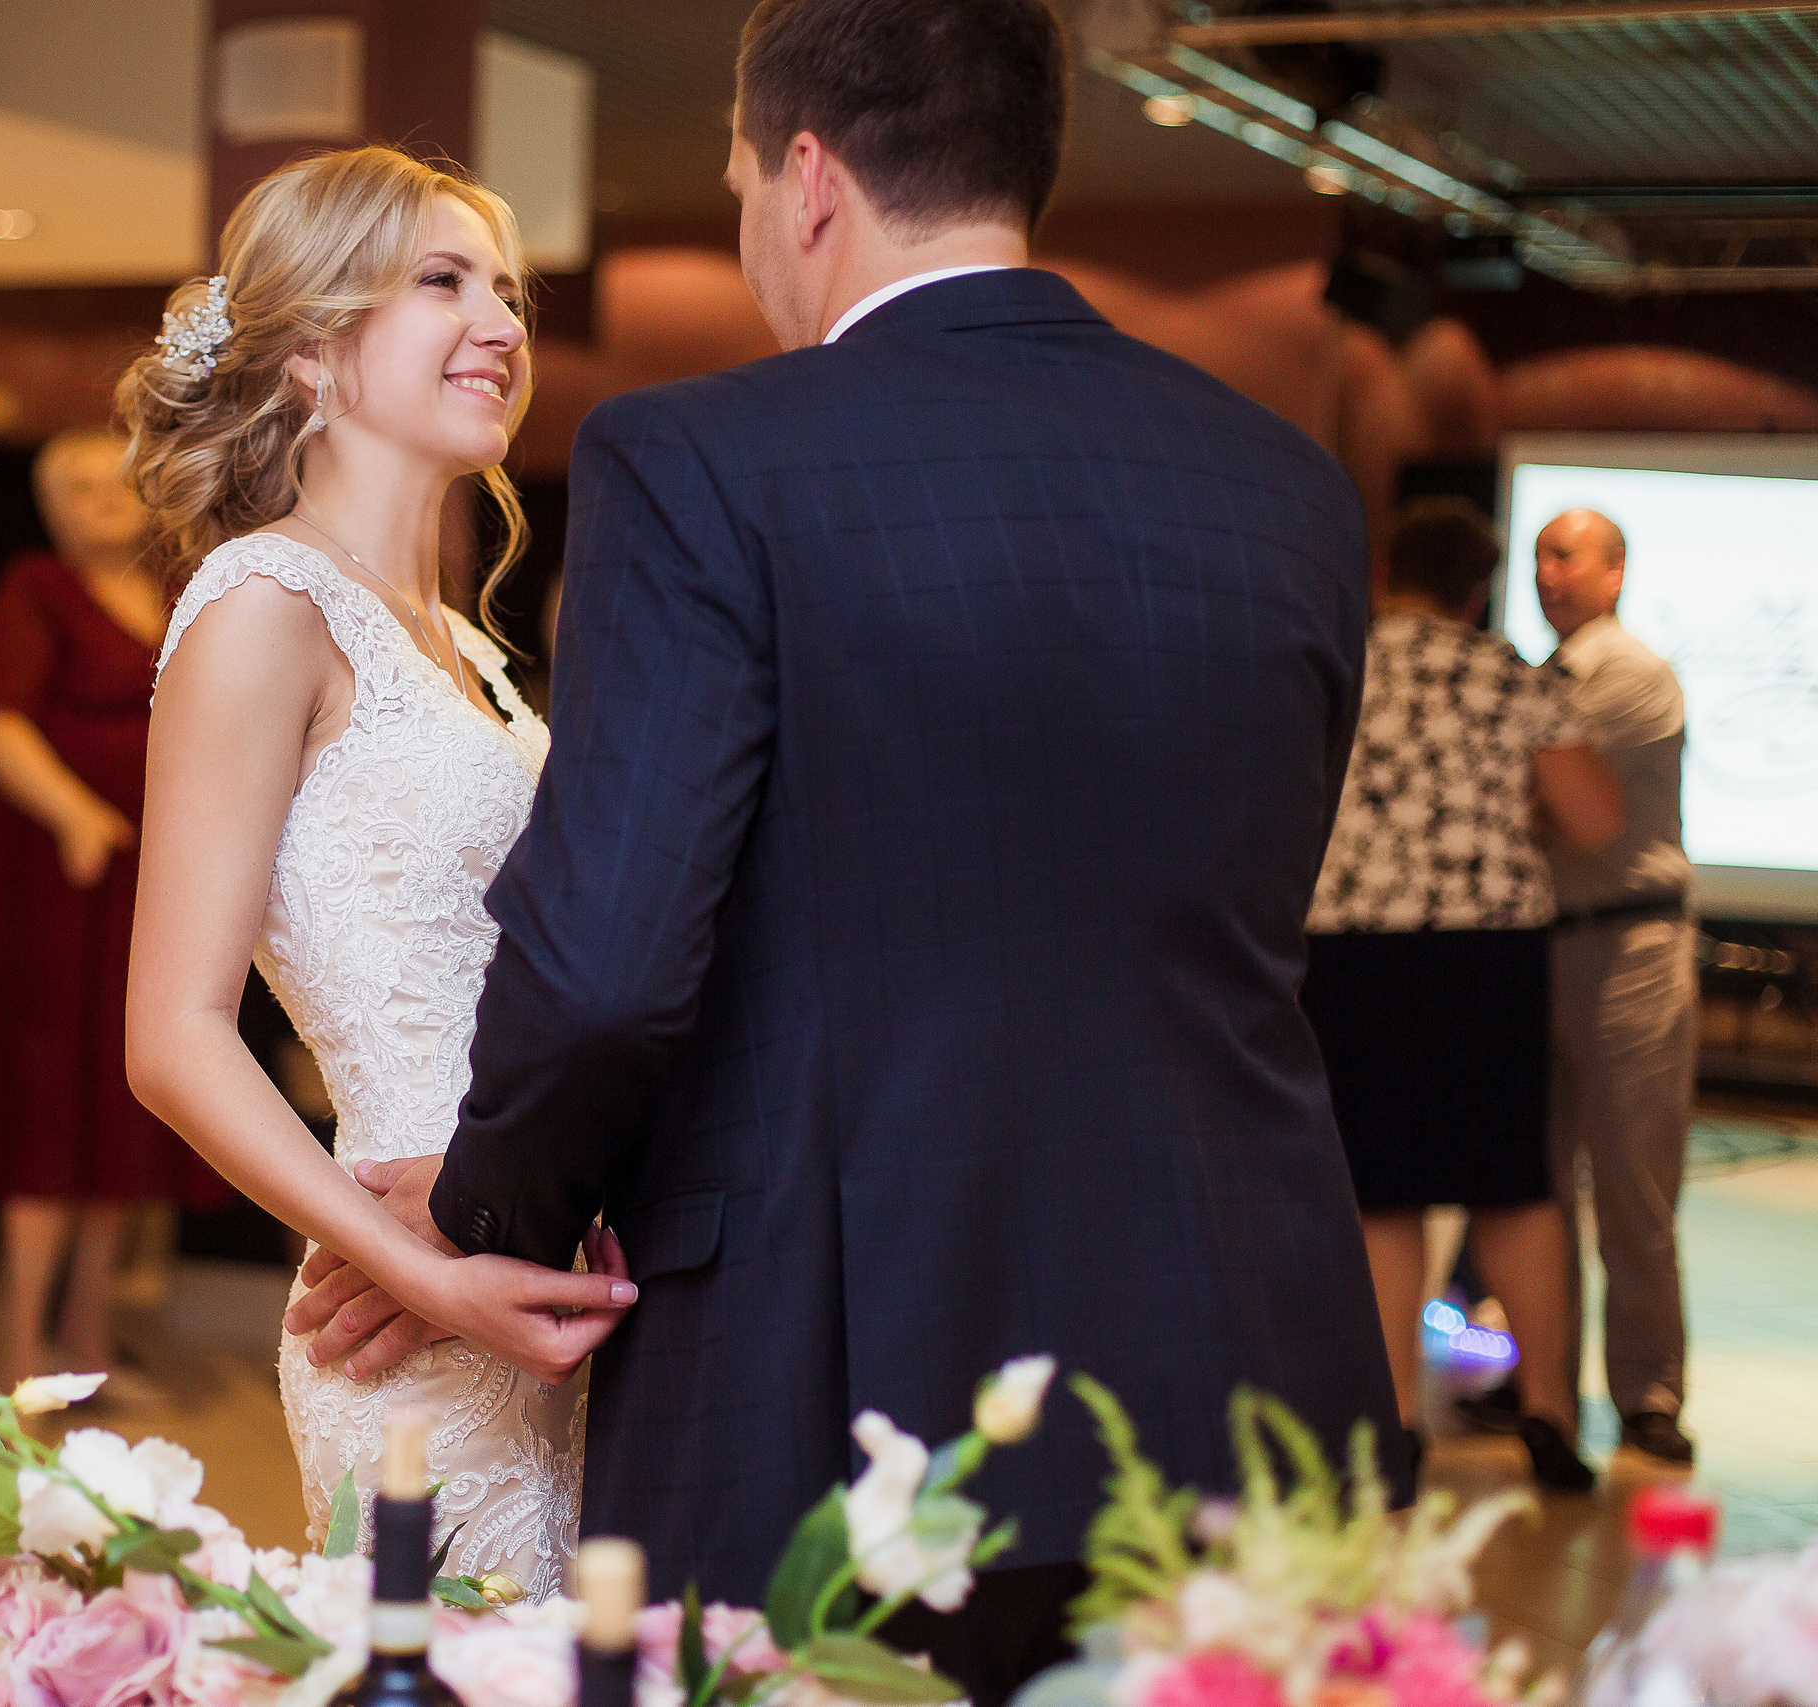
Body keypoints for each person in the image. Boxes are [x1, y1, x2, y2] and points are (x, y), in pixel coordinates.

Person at [288, 3, 1406, 1697]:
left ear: (808, 177)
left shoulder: (702, 461)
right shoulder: (1291, 490)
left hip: (836, 1372)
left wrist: (474, 1216)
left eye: (742, 179)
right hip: (1245, 1365)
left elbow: (606, 966)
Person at [124, 146, 635, 1600]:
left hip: (545, 1252)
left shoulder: (460, 644)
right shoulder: (261, 607)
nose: (501, 324)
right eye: (443, 282)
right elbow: (172, 1034)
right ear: (309, 350)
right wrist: (418, 1272)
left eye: (508, 291)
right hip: (407, 1305)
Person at [1300, 499, 1623, 1495]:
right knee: (1513, 1188)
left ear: (1385, 573)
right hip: (1489, 951)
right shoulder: (1507, 674)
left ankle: (1396, 1418)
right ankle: (1549, 1415)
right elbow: (1595, 818)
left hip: (1353, 948)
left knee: (1381, 1193)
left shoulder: (1337, 667)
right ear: (1478, 587)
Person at [0, 427, 224, 1393]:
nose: (101, 498)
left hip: (154, 875)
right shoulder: (34, 588)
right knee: (47, 1107)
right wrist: (76, 813)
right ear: (48, 508)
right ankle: (22, 1353)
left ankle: (88, 1339)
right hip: (58, 877)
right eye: (76, 486)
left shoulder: (176, 587)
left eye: (116, 481)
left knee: (122, 1108)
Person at [1537, 508, 1699, 1468]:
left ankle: (1647, 1395)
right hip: (1546, 947)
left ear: (1616, 573)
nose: (1547, 574)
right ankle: (1544, 1393)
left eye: (1566, 555)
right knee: (1540, 1186)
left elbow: (1548, 803)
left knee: (1633, 1187)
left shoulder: (1632, 673)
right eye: (1538, 557)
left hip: (1630, 948)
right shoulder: (1545, 676)